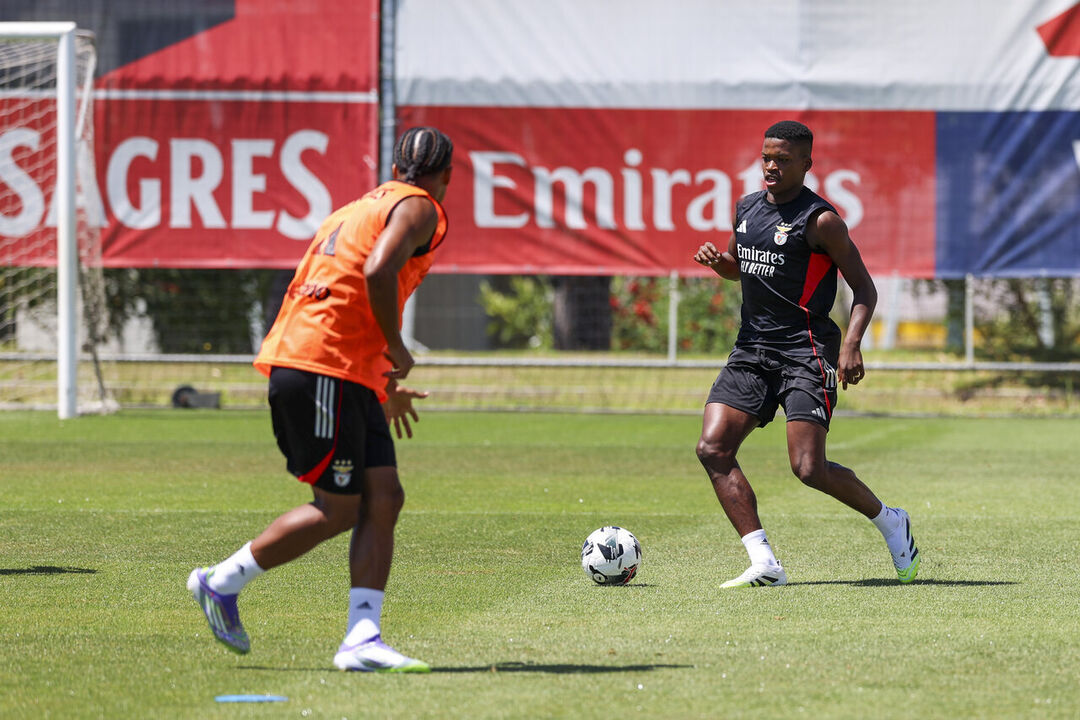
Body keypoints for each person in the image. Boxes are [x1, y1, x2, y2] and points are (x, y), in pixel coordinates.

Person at [187, 126, 454, 671]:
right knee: (338, 509)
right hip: (320, 366)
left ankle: (362, 638)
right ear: (446, 175)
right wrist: (400, 350)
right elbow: (376, 271)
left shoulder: (358, 207)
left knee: (384, 494)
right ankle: (220, 582)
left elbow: (344, 293)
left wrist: (382, 382)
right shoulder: (421, 207)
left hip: (338, 367)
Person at [692, 120, 919, 588]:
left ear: (806, 164)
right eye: (766, 157)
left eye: (783, 159)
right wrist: (722, 266)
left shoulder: (822, 221)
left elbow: (865, 290)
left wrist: (851, 346)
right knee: (713, 448)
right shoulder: (746, 208)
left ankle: (891, 521)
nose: (771, 166)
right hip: (751, 349)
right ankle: (764, 562)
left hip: (807, 352)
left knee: (808, 468)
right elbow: (741, 269)